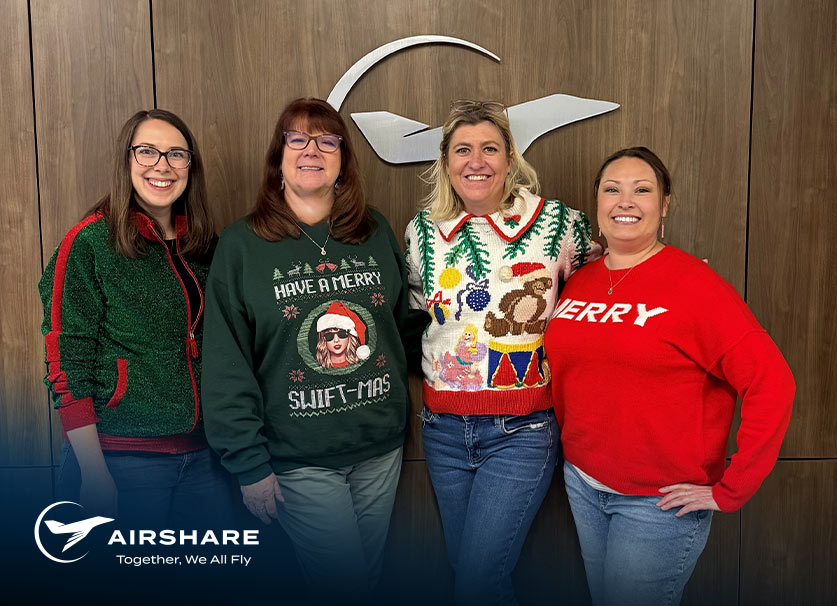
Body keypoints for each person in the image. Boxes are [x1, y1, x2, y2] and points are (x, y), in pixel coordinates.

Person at [544, 147, 795, 606]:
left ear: (664, 206)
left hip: (657, 505)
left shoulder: (695, 285)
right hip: (583, 483)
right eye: (612, 189)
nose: (625, 201)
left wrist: (731, 490)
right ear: (596, 204)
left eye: (642, 190)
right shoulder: (580, 280)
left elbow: (772, 382)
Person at [201, 98, 418, 602]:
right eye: (297, 139)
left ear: (343, 161)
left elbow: (404, 323)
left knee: (366, 577)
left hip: (379, 447)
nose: (312, 150)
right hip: (299, 458)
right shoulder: (243, 246)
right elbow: (225, 363)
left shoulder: (374, 231)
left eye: (327, 140)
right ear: (279, 159)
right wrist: (248, 464)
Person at [404, 99, 602, 605]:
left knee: (478, 579)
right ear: (445, 162)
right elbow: (413, 315)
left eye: (490, 148)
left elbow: (603, 288)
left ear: (510, 157)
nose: (477, 161)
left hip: (522, 430)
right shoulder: (421, 231)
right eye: (463, 150)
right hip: (444, 430)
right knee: (466, 571)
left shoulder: (557, 223)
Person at [39, 109, 231, 529]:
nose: (162, 166)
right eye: (147, 151)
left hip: (204, 459)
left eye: (176, 154)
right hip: (121, 459)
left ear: (190, 167)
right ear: (126, 161)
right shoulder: (89, 243)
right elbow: (66, 361)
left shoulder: (204, 247)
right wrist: (93, 472)